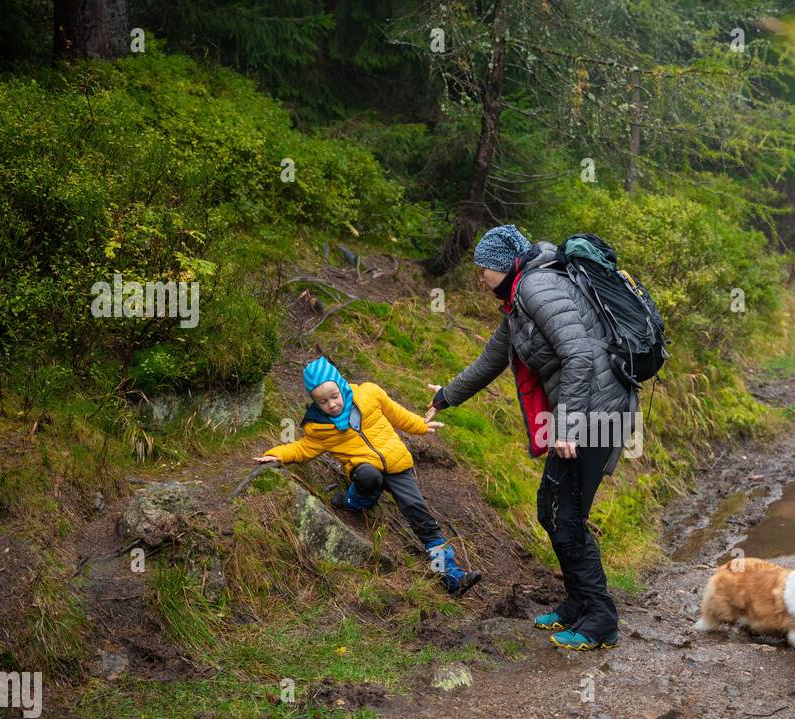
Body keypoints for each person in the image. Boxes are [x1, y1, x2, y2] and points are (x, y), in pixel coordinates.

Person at [426, 225, 637, 650]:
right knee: (551, 510)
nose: (480, 276)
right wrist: (447, 396)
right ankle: (579, 603)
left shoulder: (538, 288)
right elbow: (491, 360)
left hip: (597, 416)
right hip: (586, 412)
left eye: (484, 267)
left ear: (504, 265)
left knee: (566, 517)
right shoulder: (520, 300)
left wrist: (566, 426)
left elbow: (578, 355)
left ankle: (601, 619)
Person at [256, 356, 480, 595]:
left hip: (397, 464)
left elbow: (396, 414)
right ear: (314, 401)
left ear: (341, 385)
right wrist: (277, 454)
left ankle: (450, 575)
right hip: (364, 469)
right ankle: (356, 501)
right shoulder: (319, 427)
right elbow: (301, 448)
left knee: (419, 512)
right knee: (368, 477)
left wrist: (421, 425)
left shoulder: (369, 395)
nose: (331, 404)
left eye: (334, 396)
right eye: (322, 401)